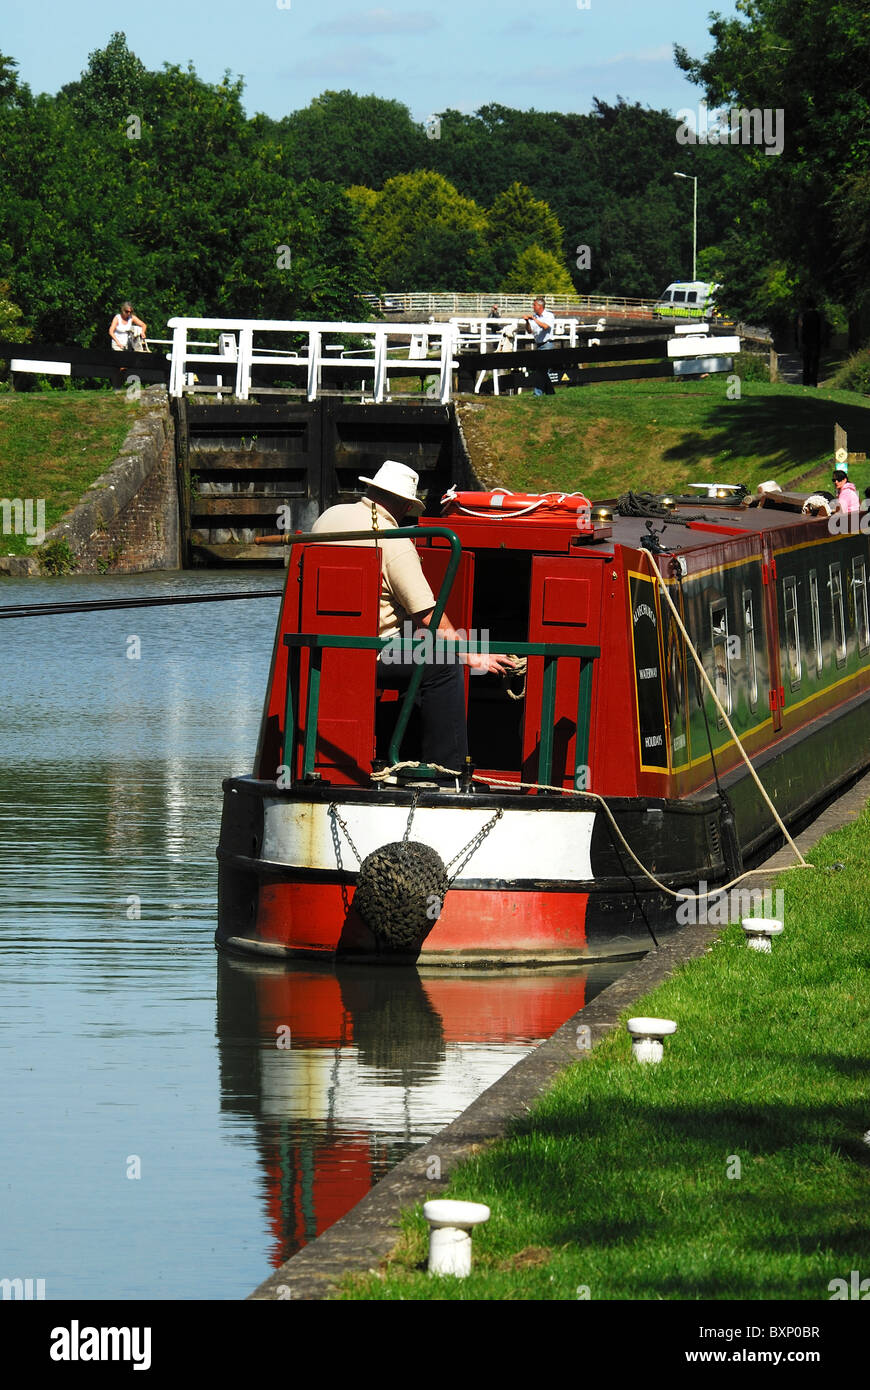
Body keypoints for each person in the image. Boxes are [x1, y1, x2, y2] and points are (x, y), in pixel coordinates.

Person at [311, 460, 513, 777]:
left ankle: (399, 751)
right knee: (443, 663)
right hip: (372, 653)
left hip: (320, 649)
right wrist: (474, 655)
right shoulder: (394, 540)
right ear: (406, 504)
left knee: (420, 655)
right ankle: (448, 770)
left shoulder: (327, 519)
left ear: (372, 488)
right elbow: (429, 618)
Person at [522, 296, 556, 396]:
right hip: (539, 345)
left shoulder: (549, 315)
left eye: (534, 305)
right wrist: (527, 321)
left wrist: (534, 319)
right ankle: (550, 392)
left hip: (547, 345)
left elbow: (545, 326)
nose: (533, 307)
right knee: (543, 371)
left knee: (541, 370)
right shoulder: (534, 317)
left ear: (540, 306)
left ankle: (537, 393)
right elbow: (529, 331)